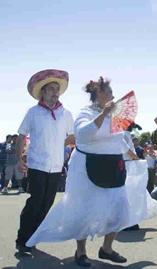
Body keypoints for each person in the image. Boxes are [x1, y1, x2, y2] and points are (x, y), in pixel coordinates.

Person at [26, 77, 157, 267]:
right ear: (99, 94)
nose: (114, 97)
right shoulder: (85, 113)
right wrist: (104, 114)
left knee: (119, 210)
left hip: (113, 166)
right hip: (86, 167)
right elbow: (83, 134)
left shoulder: (114, 116)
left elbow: (119, 139)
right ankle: (81, 252)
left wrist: (133, 157)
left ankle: (106, 248)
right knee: (84, 209)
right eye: (110, 93)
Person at [15, 69, 74, 254]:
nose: (55, 92)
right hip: (37, 164)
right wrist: (19, 159)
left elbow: (71, 138)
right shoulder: (33, 112)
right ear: (43, 92)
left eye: (57, 89)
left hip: (56, 166)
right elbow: (21, 136)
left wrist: (63, 149)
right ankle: (22, 239)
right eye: (51, 89)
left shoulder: (66, 113)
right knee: (35, 201)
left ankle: (33, 238)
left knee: (47, 203)